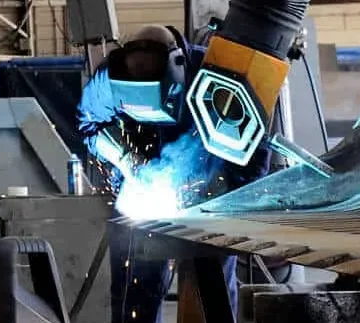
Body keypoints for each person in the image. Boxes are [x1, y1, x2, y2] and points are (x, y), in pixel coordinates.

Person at [78, 25, 272, 323]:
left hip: (208, 194)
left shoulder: (216, 79)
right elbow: (89, 124)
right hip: (144, 186)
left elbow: (255, 149)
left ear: (176, 71)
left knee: (211, 294)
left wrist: (227, 195)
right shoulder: (109, 80)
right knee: (135, 291)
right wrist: (126, 158)